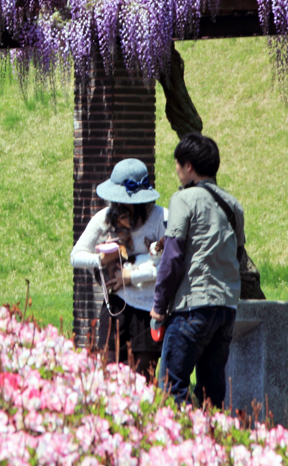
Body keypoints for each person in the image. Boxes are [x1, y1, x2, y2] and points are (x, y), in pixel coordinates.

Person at [150, 133, 244, 407]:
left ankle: (179, 445)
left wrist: (159, 304)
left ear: (188, 165)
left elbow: (173, 256)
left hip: (192, 307)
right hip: (226, 309)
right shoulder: (233, 205)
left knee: (171, 386)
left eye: (177, 164)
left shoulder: (184, 199)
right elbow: (237, 255)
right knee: (211, 393)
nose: (177, 171)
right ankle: (213, 443)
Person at [71, 158, 167, 377]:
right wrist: (100, 260)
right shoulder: (104, 218)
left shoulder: (162, 218)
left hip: (148, 311)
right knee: (108, 373)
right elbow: (76, 255)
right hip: (115, 308)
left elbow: (170, 268)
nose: (122, 210)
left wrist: (130, 277)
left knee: (143, 378)